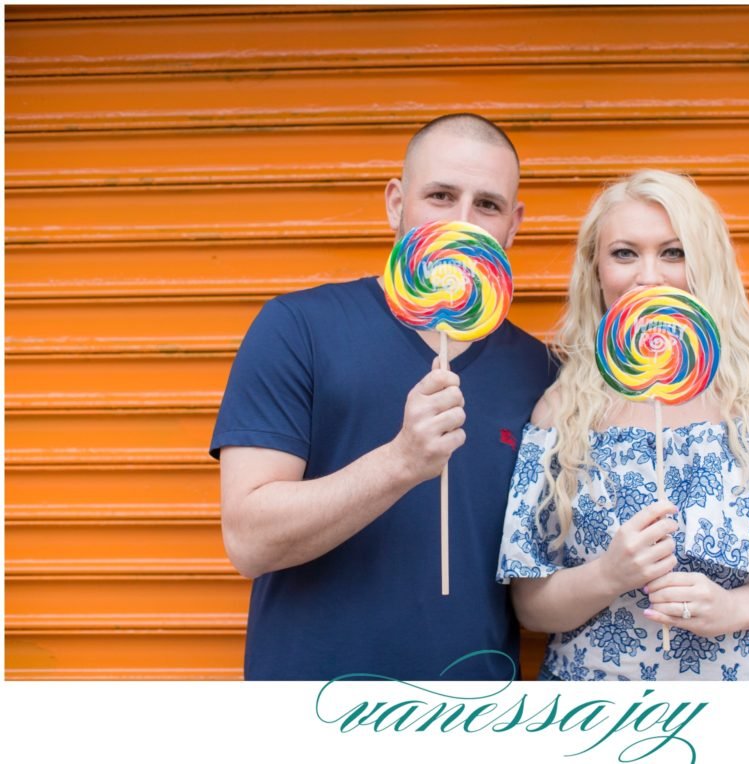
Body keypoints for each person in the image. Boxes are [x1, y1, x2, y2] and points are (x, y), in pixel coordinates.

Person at [496, 169, 749, 681]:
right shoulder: (561, 411)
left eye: (674, 252)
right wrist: (608, 574)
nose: (649, 276)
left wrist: (735, 609)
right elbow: (532, 607)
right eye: (624, 253)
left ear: (707, 263)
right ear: (596, 269)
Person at [211, 113, 557, 680]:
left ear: (513, 225)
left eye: (487, 205)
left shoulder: (541, 373)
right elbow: (249, 541)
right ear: (396, 204)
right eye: (440, 196)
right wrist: (401, 462)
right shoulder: (297, 328)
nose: (462, 222)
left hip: (475, 711)